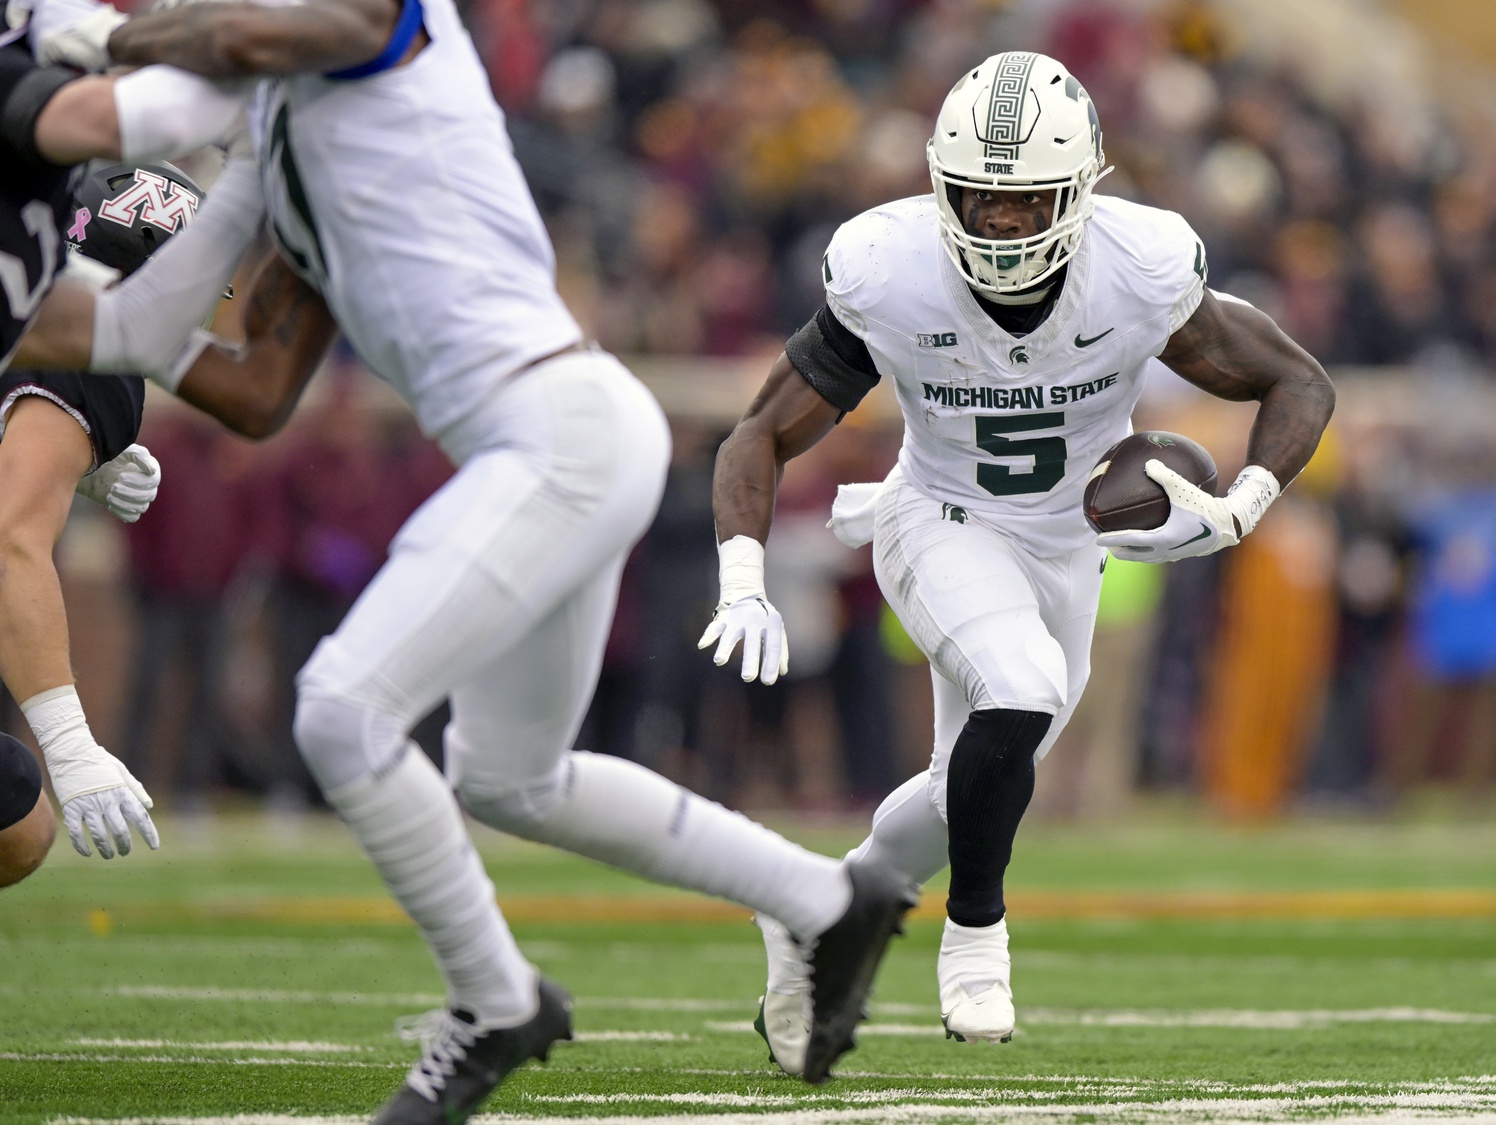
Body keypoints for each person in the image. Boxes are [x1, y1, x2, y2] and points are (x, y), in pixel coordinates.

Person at [39, 0, 918, 1116]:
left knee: (340, 714)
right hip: (554, 440)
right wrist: (27, 300)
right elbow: (217, 368)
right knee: (510, 779)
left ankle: (495, 1001)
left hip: (557, 430)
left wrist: (97, 40)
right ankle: (823, 902)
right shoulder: (275, 134)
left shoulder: (376, 26)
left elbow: (266, 36)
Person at [704, 51, 1335, 1063]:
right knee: (1024, 687)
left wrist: (1240, 508)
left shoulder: (1141, 269)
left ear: (1081, 192)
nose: (999, 226)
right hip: (937, 516)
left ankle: (817, 905)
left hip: (1072, 542)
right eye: (979, 201)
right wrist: (743, 576)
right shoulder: (891, 270)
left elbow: (1297, 382)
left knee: (984, 768)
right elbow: (758, 432)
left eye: (1026, 201)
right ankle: (976, 934)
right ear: (940, 186)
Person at [0, 10, 284, 885]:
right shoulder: (95, 354)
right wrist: (73, 742)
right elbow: (11, 537)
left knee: (14, 813)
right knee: (20, 818)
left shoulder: (32, 265)